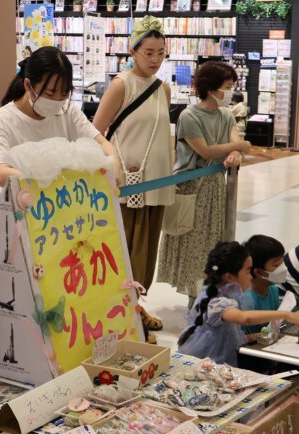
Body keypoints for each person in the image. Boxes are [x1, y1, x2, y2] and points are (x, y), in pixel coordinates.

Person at [93, 16, 173, 340]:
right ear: (133, 51)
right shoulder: (121, 84)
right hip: (129, 184)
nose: (154, 59)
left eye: (160, 53)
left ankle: (136, 308)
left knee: (147, 252)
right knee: (126, 251)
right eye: (148, 52)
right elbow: (94, 131)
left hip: (157, 183)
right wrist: (115, 162)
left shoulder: (163, 88)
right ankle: (124, 319)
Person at [158, 61, 251, 301]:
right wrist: (238, 146)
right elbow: (206, 151)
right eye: (227, 86)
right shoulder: (189, 116)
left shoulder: (226, 114)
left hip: (215, 188)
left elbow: (234, 142)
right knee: (193, 243)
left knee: (212, 242)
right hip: (192, 187)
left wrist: (235, 152)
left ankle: (208, 293)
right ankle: (194, 298)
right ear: (211, 89)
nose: (230, 92)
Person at [0, 46, 120, 193]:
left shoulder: (68, 111)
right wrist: (51, 179)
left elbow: (101, 143)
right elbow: (1, 174)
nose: (58, 101)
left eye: (64, 93)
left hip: (65, 207)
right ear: (28, 86)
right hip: (20, 207)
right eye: (50, 93)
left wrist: (114, 165)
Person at [177, 241, 299, 366]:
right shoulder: (215, 302)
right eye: (247, 270)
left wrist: (253, 337)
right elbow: (244, 318)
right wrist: (284, 314)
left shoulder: (229, 294)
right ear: (229, 277)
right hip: (206, 365)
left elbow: (228, 333)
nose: (250, 276)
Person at [241, 235, 285, 335]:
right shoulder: (245, 300)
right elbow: (242, 339)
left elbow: (272, 326)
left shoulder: (273, 290)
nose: (283, 268)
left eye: (282, 263)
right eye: (276, 265)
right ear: (259, 272)